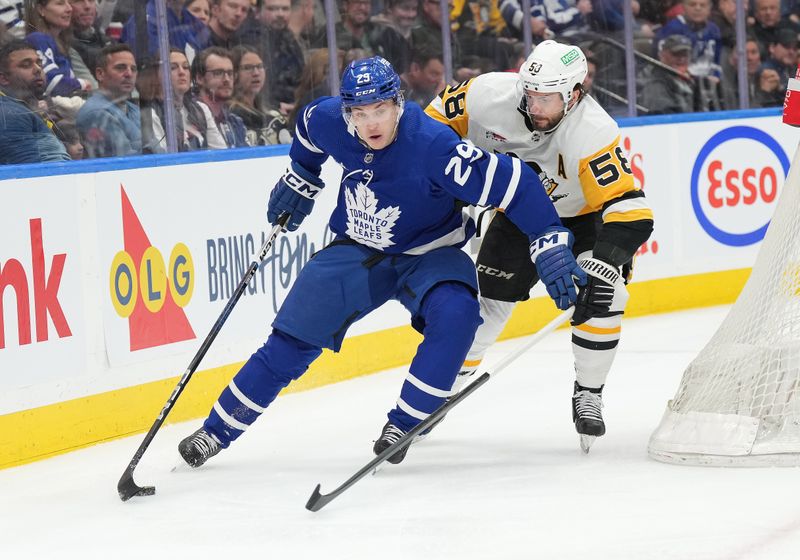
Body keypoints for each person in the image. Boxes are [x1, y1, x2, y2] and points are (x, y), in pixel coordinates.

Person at [177, 55, 586, 468]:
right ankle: (215, 432)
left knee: (459, 314)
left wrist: (547, 242)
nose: (370, 123)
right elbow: (306, 130)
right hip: (357, 250)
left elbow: (516, 184)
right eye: (359, 112)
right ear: (346, 112)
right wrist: (302, 175)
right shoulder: (329, 121)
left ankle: (404, 422)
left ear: (397, 103)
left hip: (431, 256)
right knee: (290, 342)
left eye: (380, 110)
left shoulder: (434, 146)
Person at [425, 40, 654, 451]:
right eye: (530, 94)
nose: (534, 106)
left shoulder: (593, 131)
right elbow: (431, 125)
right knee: (485, 305)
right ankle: (439, 391)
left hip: (581, 218)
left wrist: (603, 263)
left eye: (547, 97)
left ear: (574, 94)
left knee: (605, 295)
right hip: (517, 212)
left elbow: (629, 209)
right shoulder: (486, 93)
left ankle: (589, 391)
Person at [139, 48, 226, 152]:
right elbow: (163, 161)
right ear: (156, 75)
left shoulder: (201, 109)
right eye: (172, 68)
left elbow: (221, 153)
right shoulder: (151, 114)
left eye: (185, 67)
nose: (181, 72)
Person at [0, 39, 70, 162]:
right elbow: (27, 175)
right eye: (26, 65)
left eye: (39, 63)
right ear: (3, 79)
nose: (38, 69)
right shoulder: (9, 113)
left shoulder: (20, 108)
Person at [76, 43, 140, 157]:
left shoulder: (134, 109)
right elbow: (127, 163)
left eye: (133, 69)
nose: (129, 74)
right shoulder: (96, 113)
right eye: (120, 68)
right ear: (100, 74)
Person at [229, 44, 292, 145]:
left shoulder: (271, 112)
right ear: (234, 73)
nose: (256, 73)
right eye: (248, 68)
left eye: (260, 66)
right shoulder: (231, 115)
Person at [25, 0, 90, 96]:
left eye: (69, 3)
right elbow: (51, 83)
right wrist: (82, 84)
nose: (69, 9)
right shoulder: (37, 39)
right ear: (41, 9)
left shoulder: (60, 43)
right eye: (60, 3)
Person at [190, 46, 247, 147]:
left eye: (230, 73)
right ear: (199, 78)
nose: (227, 79)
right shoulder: (190, 119)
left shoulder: (235, 122)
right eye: (218, 73)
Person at [640, 34, 697, 114]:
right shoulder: (655, 84)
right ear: (662, 55)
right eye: (676, 54)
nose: (682, 59)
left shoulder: (690, 80)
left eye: (685, 54)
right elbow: (665, 118)